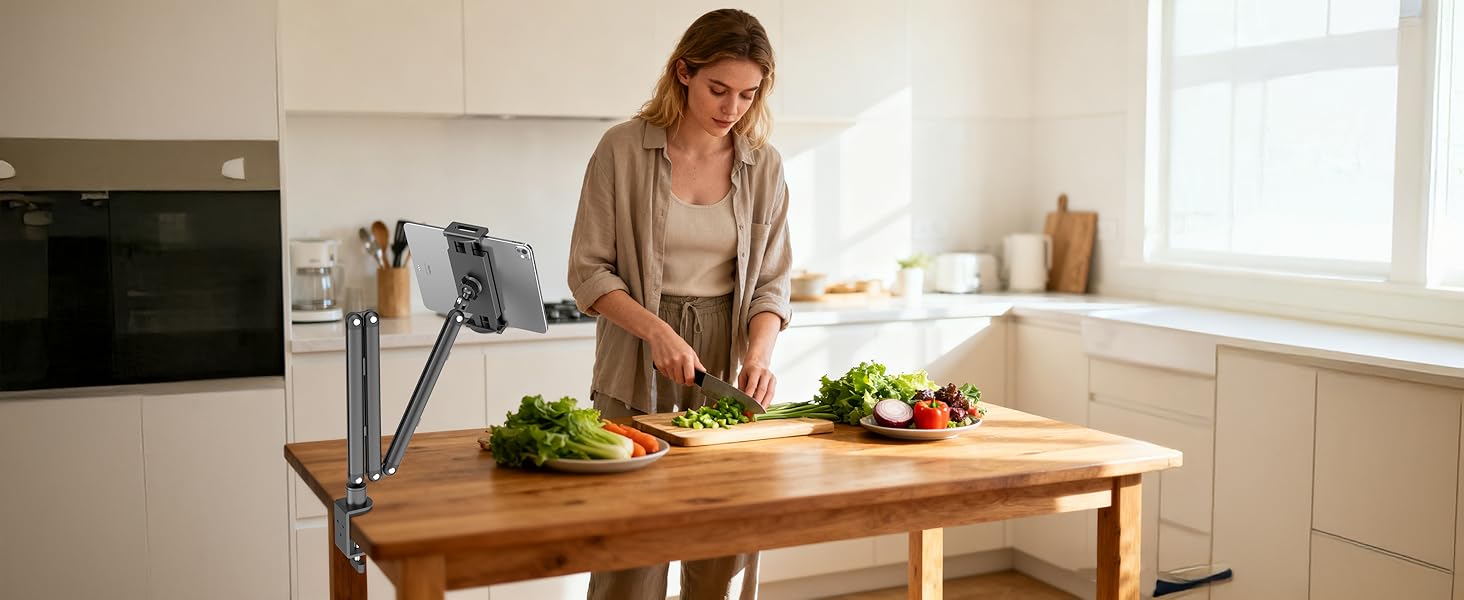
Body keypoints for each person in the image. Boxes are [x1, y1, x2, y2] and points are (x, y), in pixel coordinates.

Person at [566, 8, 791, 600]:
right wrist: (657, 331)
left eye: (748, 94)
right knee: (630, 550)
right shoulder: (620, 150)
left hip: (722, 361)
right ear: (683, 72)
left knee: (725, 545)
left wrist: (760, 356)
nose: (731, 108)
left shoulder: (763, 165)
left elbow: (771, 283)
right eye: (718, 89)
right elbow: (588, 272)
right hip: (637, 357)